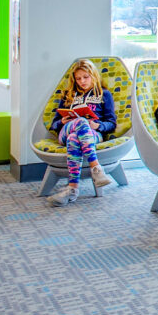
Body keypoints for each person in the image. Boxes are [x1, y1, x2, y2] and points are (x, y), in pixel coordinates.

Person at [47, 59, 117, 207]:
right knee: (79, 123)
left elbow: (111, 123)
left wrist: (97, 125)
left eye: (86, 77)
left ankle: (72, 189)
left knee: (75, 138)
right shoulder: (68, 95)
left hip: (92, 134)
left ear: (94, 75)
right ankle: (96, 168)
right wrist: (63, 122)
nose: (82, 81)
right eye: (78, 78)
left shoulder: (104, 94)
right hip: (65, 132)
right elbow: (54, 124)